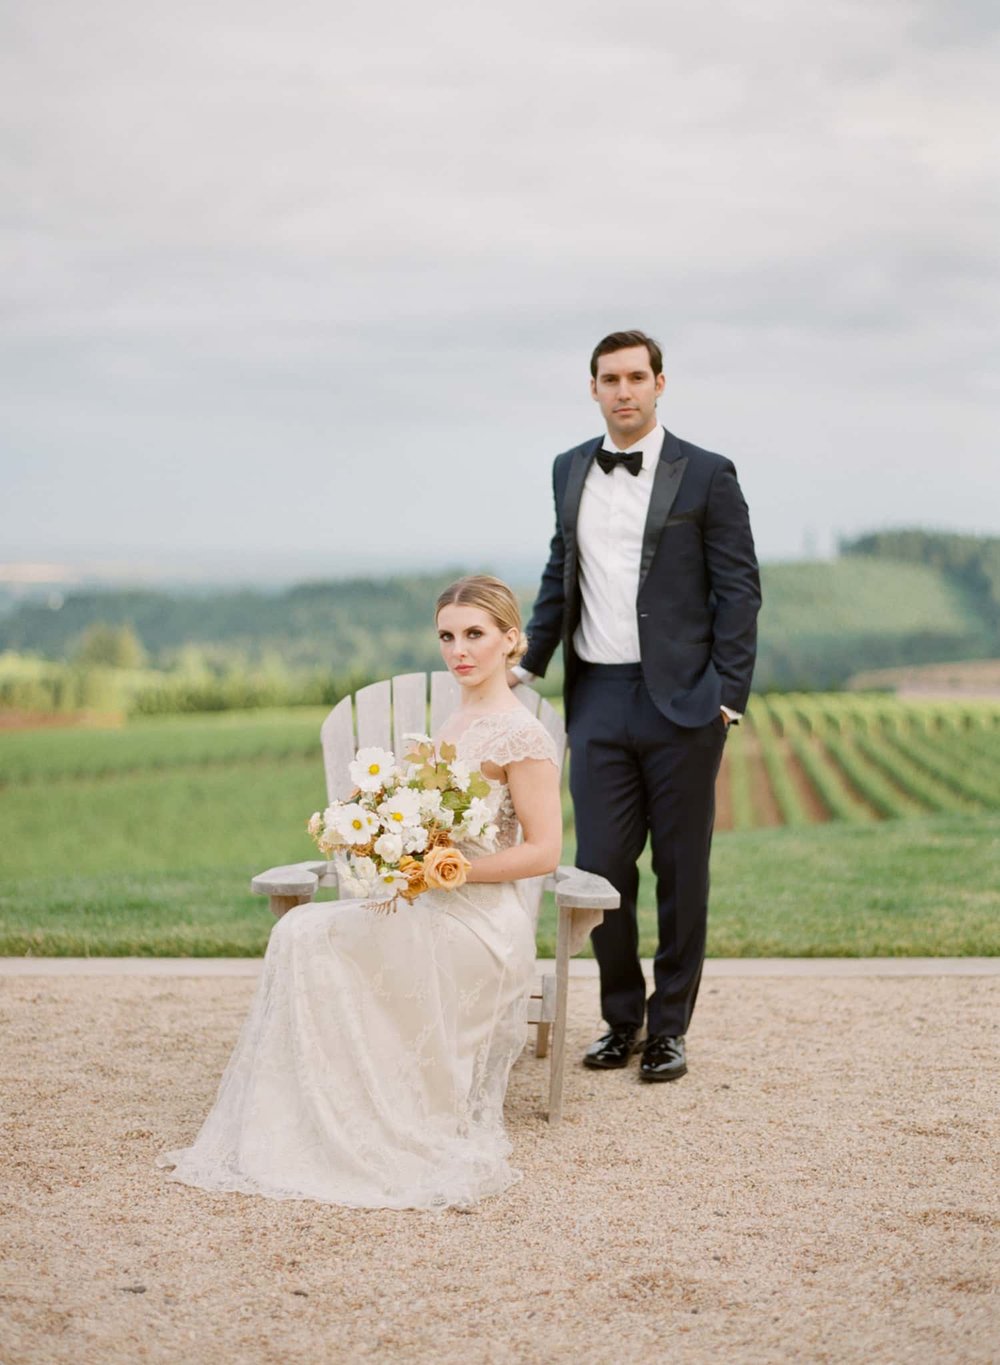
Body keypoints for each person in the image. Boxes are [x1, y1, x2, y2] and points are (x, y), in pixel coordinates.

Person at [159, 576, 562, 1210]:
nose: (459, 650)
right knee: (299, 931)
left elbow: (544, 851)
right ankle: (314, 1114)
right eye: (448, 636)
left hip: (479, 922)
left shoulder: (522, 734)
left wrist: (451, 870)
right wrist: (384, 833)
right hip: (427, 901)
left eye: (475, 635)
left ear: (511, 640)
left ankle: (375, 1118)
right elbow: (430, 818)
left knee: (309, 932)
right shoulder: (456, 717)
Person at [513, 330, 760, 1082]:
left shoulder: (709, 474)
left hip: (686, 703)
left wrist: (728, 695)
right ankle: (621, 1019)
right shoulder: (567, 469)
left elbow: (739, 590)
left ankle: (670, 1028)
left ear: (660, 383)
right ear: (593, 388)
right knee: (601, 866)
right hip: (598, 698)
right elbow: (562, 572)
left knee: (682, 870)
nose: (623, 390)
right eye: (609, 379)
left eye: (635, 377)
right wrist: (527, 666)